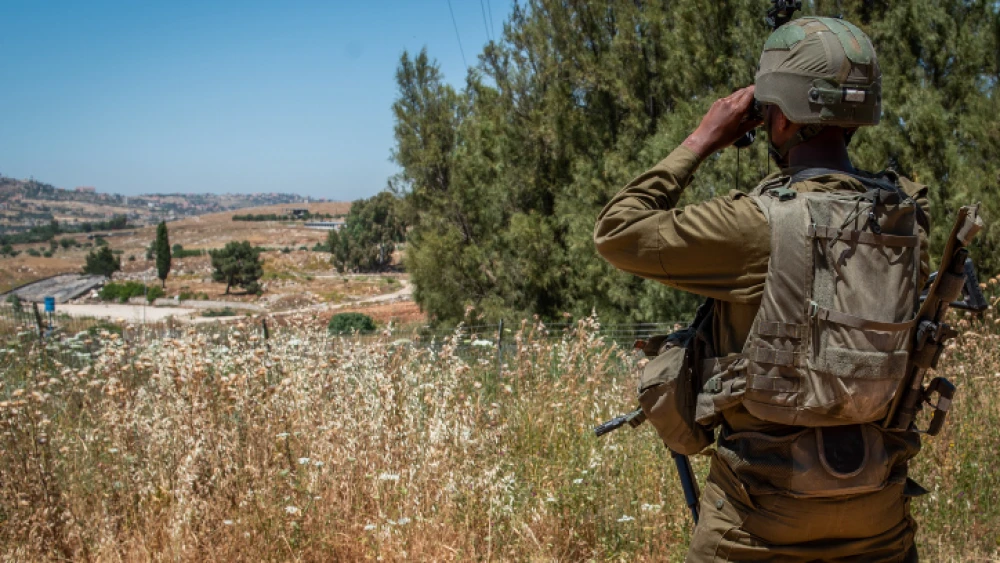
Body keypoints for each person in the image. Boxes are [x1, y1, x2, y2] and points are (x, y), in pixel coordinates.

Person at [594, 17, 931, 562]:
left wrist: (705, 137)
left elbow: (616, 231)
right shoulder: (906, 219)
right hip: (879, 508)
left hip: (757, 520)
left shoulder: (755, 226)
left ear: (779, 117)